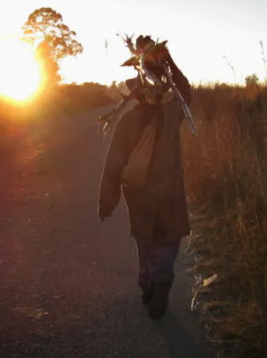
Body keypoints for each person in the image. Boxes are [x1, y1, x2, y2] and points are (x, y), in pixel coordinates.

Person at [97, 35, 191, 320]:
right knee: (168, 239)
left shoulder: (129, 121)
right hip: (170, 190)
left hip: (138, 195)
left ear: (135, 94)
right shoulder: (172, 113)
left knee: (145, 242)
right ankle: (161, 279)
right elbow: (185, 91)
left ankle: (147, 282)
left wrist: (107, 201)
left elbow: (113, 164)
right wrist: (168, 59)